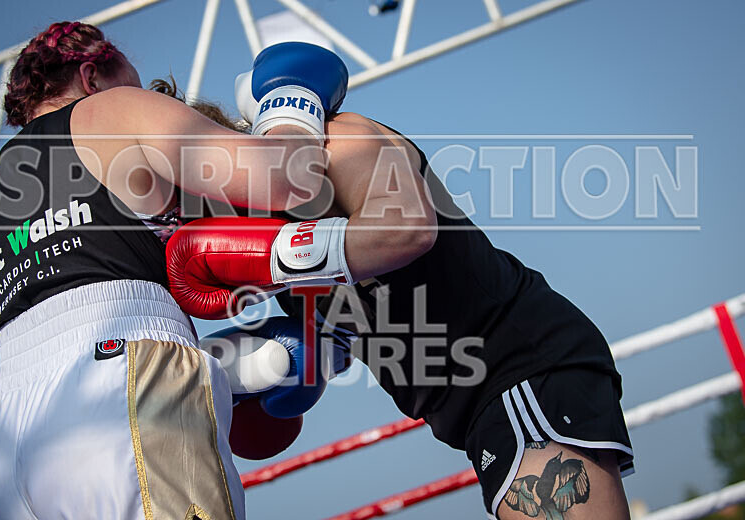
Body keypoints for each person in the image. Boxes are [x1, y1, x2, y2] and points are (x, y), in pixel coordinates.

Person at [166, 70, 634, 518]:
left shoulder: (336, 142)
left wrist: (280, 259)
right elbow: (363, 329)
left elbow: (405, 228)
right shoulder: (274, 260)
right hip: (479, 412)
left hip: (519, 374)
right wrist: (294, 361)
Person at [0, 22, 348, 520]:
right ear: (91, 76)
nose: (143, 95)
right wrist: (292, 99)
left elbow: (70, 334)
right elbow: (285, 178)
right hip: (124, 384)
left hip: (7, 442)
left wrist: (227, 373)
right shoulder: (108, 111)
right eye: (134, 81)